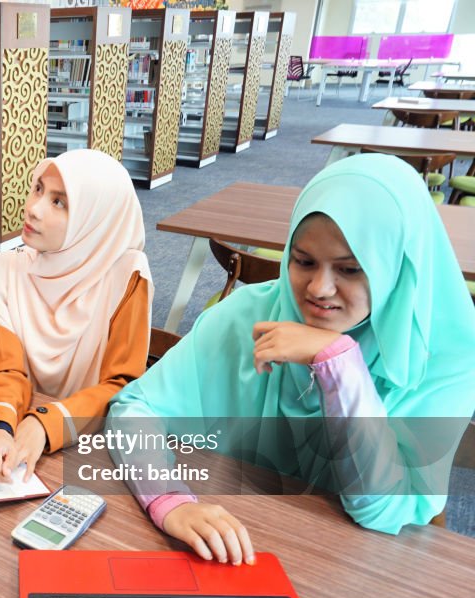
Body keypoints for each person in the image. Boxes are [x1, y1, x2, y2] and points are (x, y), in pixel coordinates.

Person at [108, 154, 475, 565]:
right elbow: (133, 409)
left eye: (350, 269)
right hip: (239, 536)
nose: (319, 288)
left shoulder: (447, 357)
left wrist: (339, 365)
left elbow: (379, 509)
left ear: (397, 266)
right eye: (303, 262)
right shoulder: (247, 315)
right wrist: (168, 499)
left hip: (358, 563)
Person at [0, 149, 153, 483]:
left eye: (59, 202)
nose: (33, 209)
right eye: (38, 189)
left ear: (95, 219)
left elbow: (122, 386)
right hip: (20, 440)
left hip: (94, 447)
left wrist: (45, 423)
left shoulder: (126, 276)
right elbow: (6, 370)